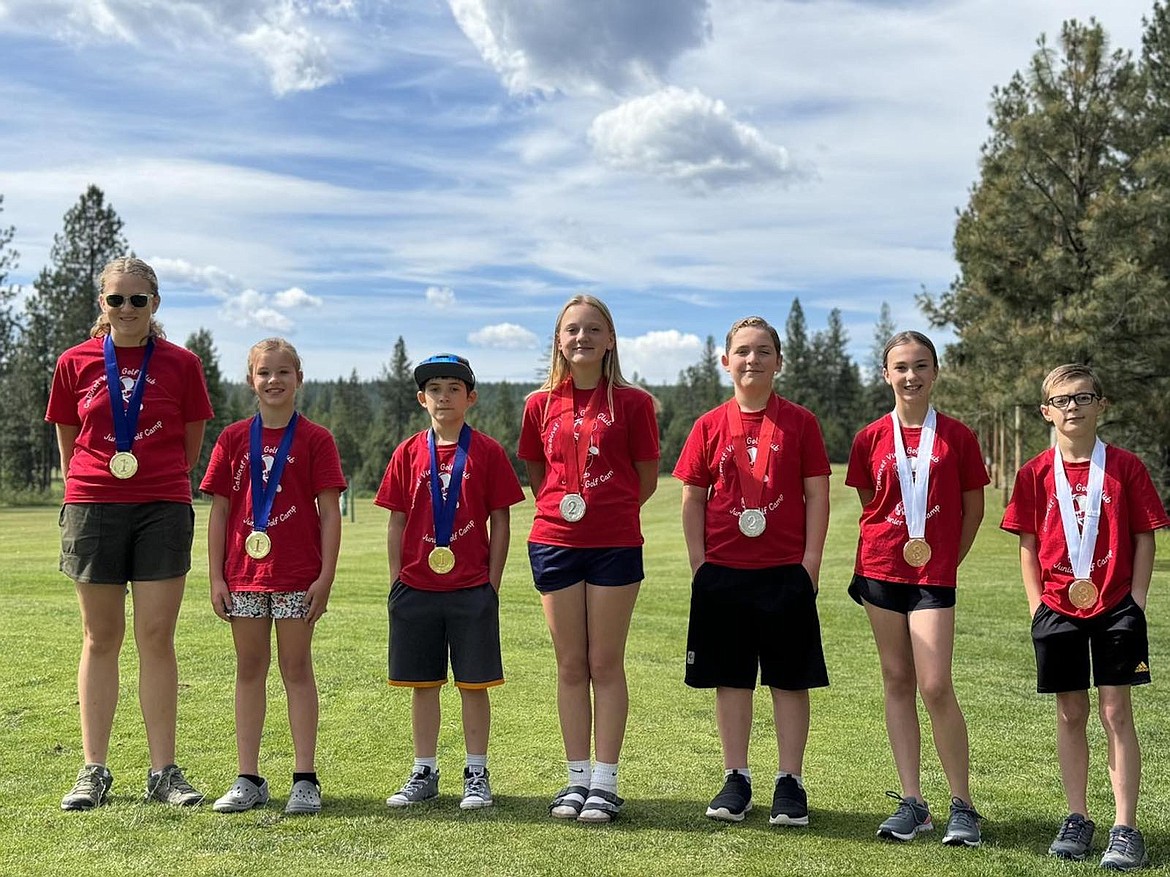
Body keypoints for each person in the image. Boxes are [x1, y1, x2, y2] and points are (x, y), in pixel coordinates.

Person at [47, 257, 214, 810]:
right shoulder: (74, 363)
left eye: (137, 300)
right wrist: (94, 483)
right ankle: (93, 770)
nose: (126, 309)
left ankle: (164, 771)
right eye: (115, 299)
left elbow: (190, 447)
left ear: (155, 305)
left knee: (156, 636)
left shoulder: (182, 365)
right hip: (93, 505)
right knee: (100, 637)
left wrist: (151, 476)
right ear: (103, 304)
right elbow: (70, 445)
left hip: (162, 506)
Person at [1001, 364, 1167, 870]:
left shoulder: (1126, 467)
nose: (1073, 407)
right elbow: (1028, 546)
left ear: (1102, 405)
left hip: (1116, 606)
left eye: (1083, 397)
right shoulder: (1033, 472)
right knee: (1071, 713)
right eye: (1062, 400)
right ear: (1046, 412)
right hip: (1056, 608)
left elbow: (1144, 536)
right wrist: (1037, 607)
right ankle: (1077, 818)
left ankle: (1124, 826)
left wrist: (1135, 599)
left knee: (1116, 712)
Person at [673, 315, 830, 826]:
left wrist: (810, 565)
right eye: (742, 351)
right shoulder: (709, 425)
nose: (752, 360)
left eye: (763, 351)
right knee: (731, 679)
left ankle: (791, 781)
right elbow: (692, 499)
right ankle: (736, 776)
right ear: (725, 362)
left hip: (785, 571)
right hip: (723, 572)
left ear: (779, 362)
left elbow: (817, 496)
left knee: (789, 678)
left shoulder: (800, 422)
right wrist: (700, 566)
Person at [518, 296, 659, 823]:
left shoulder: (635, 403)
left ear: (610, 339)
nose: (582, 338)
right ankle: (575, 780)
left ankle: (605, 781)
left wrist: (607, 511)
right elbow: (537, 471)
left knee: (605, 662)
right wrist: (567, 509)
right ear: (559, 340)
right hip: (554, 541)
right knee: (571, 664)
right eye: (572, 330)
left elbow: (644, 477)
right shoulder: (539, 404)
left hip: (615, 543)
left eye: (593, 329)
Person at [845, 330, 988, 846]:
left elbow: (973, 509)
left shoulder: (958, 437)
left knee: (935, 684)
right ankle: (913, 801)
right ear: (886, 374)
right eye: (901, 367)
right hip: (880, 569)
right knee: (897, 680)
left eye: (920, 366)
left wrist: (946, 560)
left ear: (935, 372)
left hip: (931, 576)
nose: (911, 376)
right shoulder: (869, 438)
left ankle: (963, 805)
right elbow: (870, 500)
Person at [202, 338, 345, 815]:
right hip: (243, 576)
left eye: (284, 372)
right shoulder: (232, 439)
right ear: (251, 381)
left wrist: (324, 577)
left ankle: (305, 778)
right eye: (264, 372)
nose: (274, 380)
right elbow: (220, 513)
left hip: (297, 576)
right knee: (249, 670)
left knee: (297, 669)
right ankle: (248, 777)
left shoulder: (316, 439)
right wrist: (216, 577)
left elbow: (330, 513)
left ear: (299, 379)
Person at [376, 354, 524, 811]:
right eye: (435, 389)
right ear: (422, 399)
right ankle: (425, 769)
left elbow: (500, 521)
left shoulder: (488, 451)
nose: (444, 396)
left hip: (470, 588)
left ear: (470, 398)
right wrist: (397, 579)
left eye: (454, 389)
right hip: (417, 588)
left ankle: (476, 771)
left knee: (473, 684)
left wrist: (492, 581)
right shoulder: (407, 452)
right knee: (424, 683)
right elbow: (397, 521)